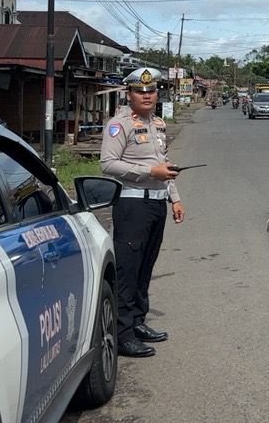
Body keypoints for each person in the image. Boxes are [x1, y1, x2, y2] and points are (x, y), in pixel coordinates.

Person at [100, 67, 186, 358]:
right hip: (132, 204)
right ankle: (122, 334)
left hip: (156, 202)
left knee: (145, 267)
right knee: (127, 269)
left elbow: (163, 162)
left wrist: (174, 198)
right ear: (129, 94)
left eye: (151, 91)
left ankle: (137, 321)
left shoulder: (158, 124)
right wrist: (150, 171)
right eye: (140, 91)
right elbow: (108, 164)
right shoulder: (119, 124)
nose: (147, 95)